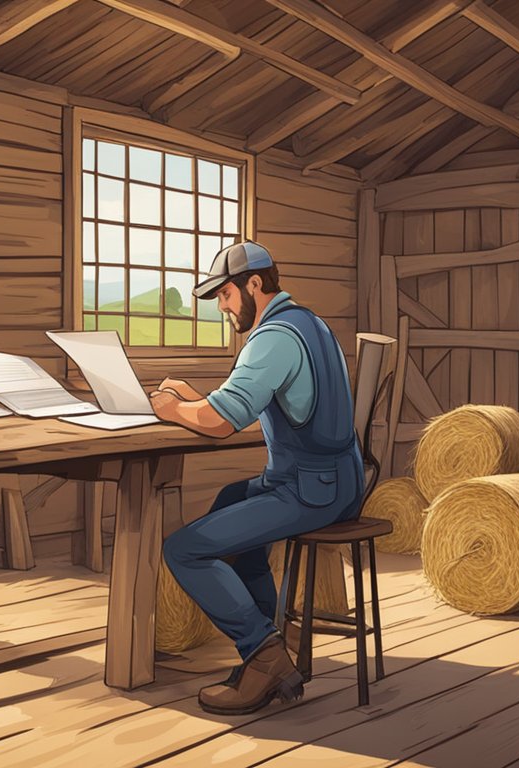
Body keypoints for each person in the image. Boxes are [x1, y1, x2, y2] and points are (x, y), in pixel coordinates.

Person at [148, 240, 364, 716]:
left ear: (253, 284)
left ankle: (263, 656)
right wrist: (190, 399)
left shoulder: (272, 339)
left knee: (184, 548)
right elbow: (239, 401)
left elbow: (223, 422)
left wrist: (171, 408)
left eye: (225, 295)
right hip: (333, 477)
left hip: (312, 489)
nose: (223, 308)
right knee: (230, 501)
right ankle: (267, 649)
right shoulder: (307, 323)